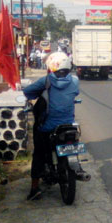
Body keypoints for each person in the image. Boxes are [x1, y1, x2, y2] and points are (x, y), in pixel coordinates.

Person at [23, 51, 80, 200]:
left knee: (39, 153)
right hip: (69, 124)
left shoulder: (46, 81)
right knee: (72, 143)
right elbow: (74, 93)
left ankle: (34, 188)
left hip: (47, 127)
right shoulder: (75, 80)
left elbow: (28, 92)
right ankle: (76, 165)